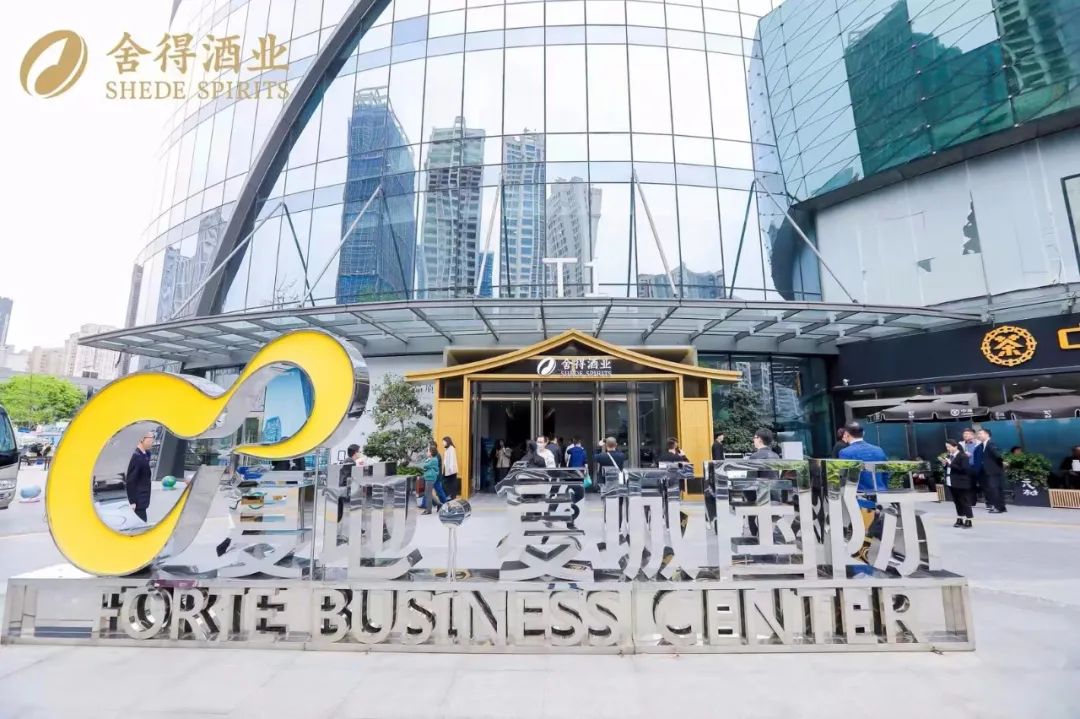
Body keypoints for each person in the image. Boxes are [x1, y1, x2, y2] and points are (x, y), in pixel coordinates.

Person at [125, 431, 155, 523]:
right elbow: (130, 480)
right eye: (151, 438)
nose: (153, 441)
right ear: (142, 439)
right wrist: (132, 502)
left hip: (143, 500)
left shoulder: (146, 454)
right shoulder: (135, 457)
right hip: (137, 502)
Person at [943, 438, 973, 528]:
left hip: (961, 482)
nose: (948, 449)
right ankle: (960, 517)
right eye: (946, 447)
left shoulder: (963, 456)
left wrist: (951, 464)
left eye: (949, 447)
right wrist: (945, 464)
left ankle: (969, 519)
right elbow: (949, 468)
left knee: (964, 501)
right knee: (957, 501)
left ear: (955, 446)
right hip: (951, 482)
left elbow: (965, 469)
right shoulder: (950, 456)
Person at [975, 428, 1006, 513]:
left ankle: (998, 507)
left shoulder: (991, 443)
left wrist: (1002, 462)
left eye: (980, 434)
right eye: (978, 434)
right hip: (988, 471)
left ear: (987, 434)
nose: (978, 435)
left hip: (993, 471)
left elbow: (997, 454)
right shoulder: (982, 445)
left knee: (994, 489)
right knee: (996, 489)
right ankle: (1001, 507)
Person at [421, 445, 448, 514]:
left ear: (431, 452)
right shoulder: (431, 459)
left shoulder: (433, 460)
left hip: (430, 478)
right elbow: (425, 467)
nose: (427, 452)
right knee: (428, 493)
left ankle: (428, 510)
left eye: (428, 451)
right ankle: (439, 504)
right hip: (429, 477)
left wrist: (426, 463)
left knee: (428, 494)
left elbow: (425, 466)